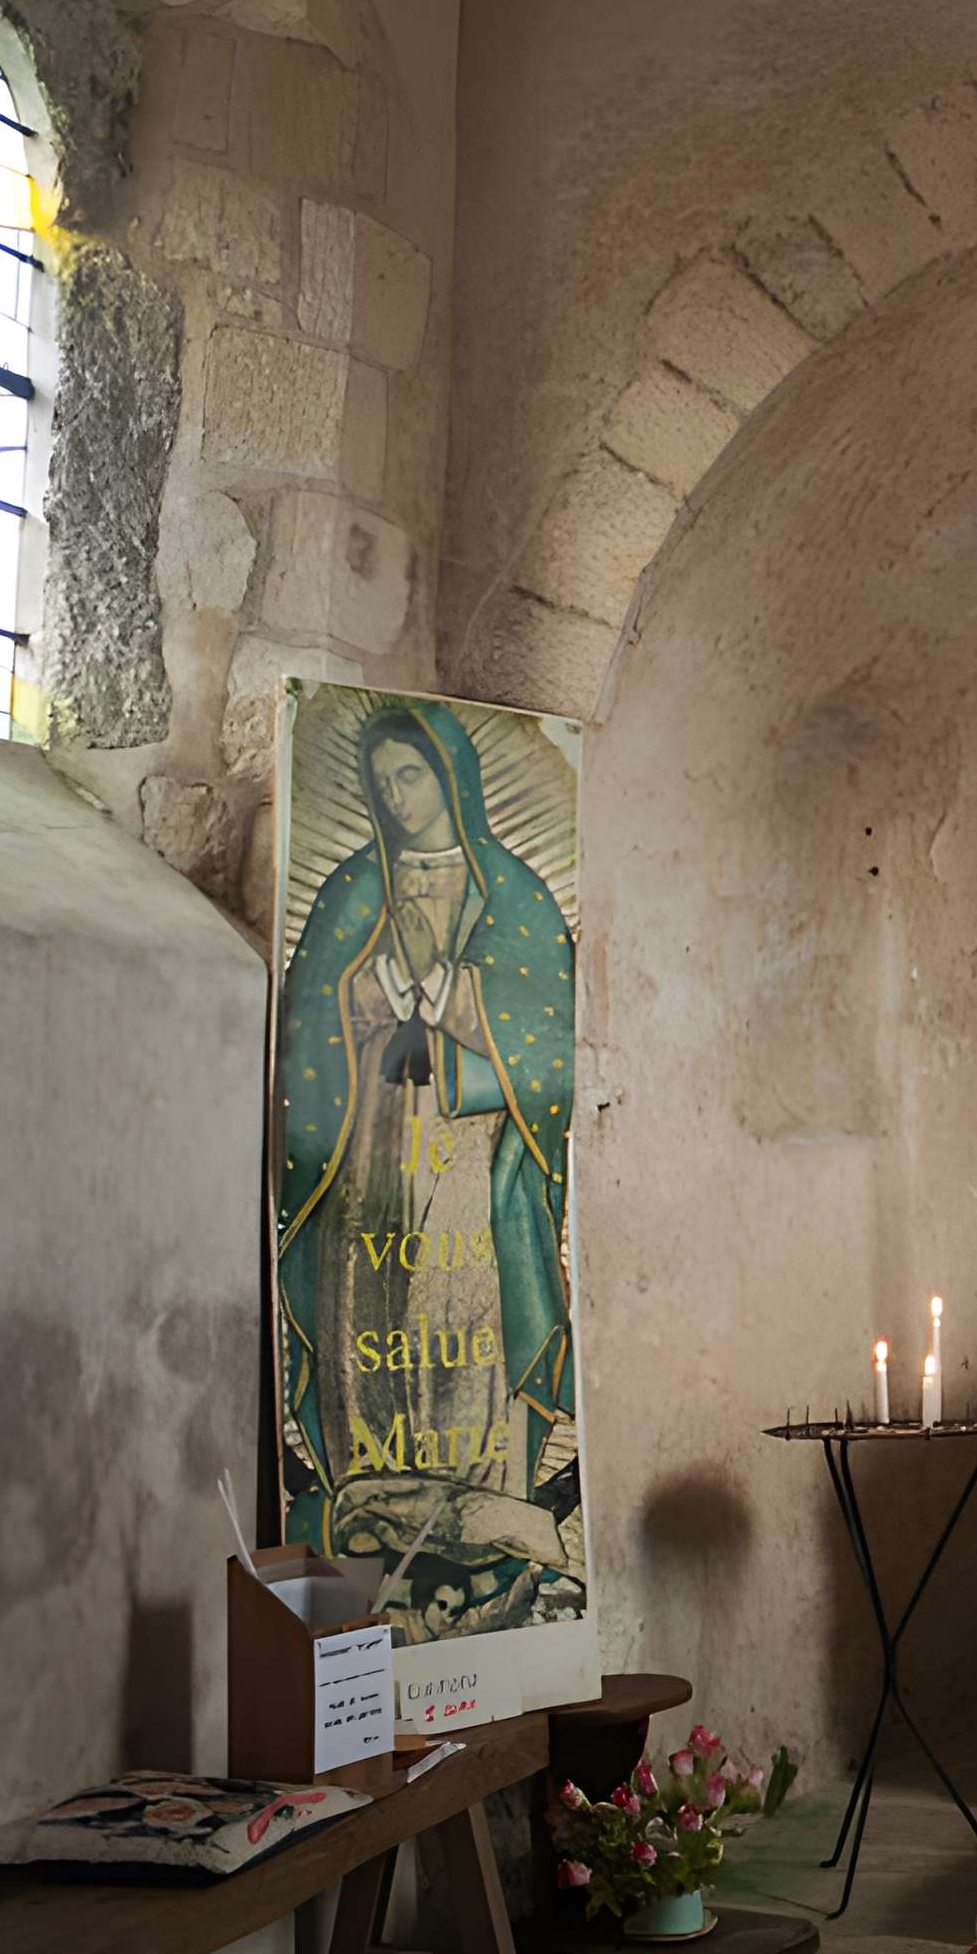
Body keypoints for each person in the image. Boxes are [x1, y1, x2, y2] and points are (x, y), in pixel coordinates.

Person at [273, 703, 584, 1640]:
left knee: (466, 1311)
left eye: (413, 774)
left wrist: (448, 997)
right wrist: (373, 992)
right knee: (374, 1309)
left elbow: (549, 1045)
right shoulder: (350, 889)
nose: (398, 796)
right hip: (370, 1139)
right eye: (385, 781)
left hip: (469, 1151)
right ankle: (378, 1512)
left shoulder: (515, 892)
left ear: (451, 775)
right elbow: (308, 1028)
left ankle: (481, 1521)